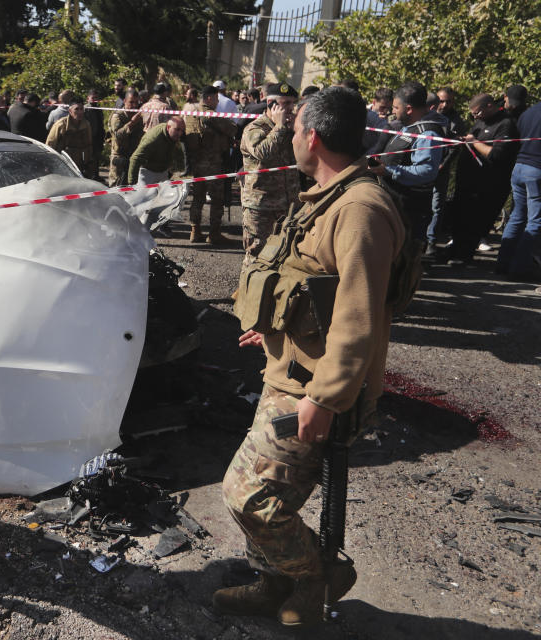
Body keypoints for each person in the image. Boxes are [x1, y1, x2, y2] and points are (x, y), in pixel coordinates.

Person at [214, 86, 404, 626]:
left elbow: (357, 317)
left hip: (312, 390)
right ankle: (275, 584)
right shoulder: (327, 197)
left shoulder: (360, 209)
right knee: (270, 492)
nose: (292, 137)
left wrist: (326, 397)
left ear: (312, 136)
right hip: (288, 372)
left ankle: (314, 575)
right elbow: (311, 289)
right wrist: (274, 330)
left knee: (248, 494)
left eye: (295, 129)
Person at [440, 94, 519, 265]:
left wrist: (474, 142)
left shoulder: (506, 124)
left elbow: (496, 155)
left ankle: (464, 255)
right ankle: (454, 250)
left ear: (489, 106)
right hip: (467, 180)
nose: (475, 117)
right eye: (473, 114)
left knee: (475, 222)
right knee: (458, 217)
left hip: (486, 184)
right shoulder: (481, 121)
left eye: (477, 113)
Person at [369, 81, 444, 244]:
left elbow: (427, 171)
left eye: (396, 108)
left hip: (409, 211)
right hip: (395, 205)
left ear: (408, 109)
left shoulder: (427, 133)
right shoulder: (408, 127)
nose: (392, 111)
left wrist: (389, 170)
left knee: (404, 259)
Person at [240, 82, 301, 263]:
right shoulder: (255, 129)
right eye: (286, 104)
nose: (290, 108)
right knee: (257, 255)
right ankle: (248, 291)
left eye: (292, 103)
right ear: (271, 104)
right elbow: (263, 153)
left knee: (284, 254)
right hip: (261, 206)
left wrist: (296, 131)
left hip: (288, 204)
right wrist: (280, 128)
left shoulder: (290, 129)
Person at [184, 85, 237, 243]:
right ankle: (214, 234)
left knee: (198, 198)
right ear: (209, 98)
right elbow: (232, 129)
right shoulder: (211, 115)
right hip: (213, 162)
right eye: (216, 99)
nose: (217, 102)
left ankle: (195, 230)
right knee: (217, 199)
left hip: (197, 162)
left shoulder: (191, 114)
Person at [498, 98, 541, 281]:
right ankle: (520, 268)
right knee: (535, 221)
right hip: (537, 169)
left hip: (520, 167)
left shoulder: (528, 112)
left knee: (517, 216)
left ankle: (503, 263)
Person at [127, 116, 185, 185]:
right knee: (144, 195)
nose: (180, 133)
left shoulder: (173, 135)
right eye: (177, 129)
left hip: (163, 172)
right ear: (168, 127)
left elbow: (176, 153)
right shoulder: (154, 138)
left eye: (182, 130)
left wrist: (170, 171)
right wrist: (132, 184)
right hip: (147, 172)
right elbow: (135, 158)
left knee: (164, 194)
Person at [46, 98, 92, 176]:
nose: (80, 112)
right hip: (63, 161)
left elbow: (88, 145)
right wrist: (48, 163)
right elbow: (50, 144)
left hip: (78, 163)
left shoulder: (86, 124)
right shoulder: (61, 124)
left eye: (81, 109)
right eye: (76, 109)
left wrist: (88, 163)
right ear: (70, 111)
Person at [108, 90, 144, 187]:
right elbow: (118, 135)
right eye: (131, 102)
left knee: (132, 185)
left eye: (136, 102)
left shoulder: (139, 116)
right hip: (119, 156)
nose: (134, 105)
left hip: (133, 156)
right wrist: (132, 123)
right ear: (124, 101)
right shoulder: (118, 116)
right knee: (116, 185)